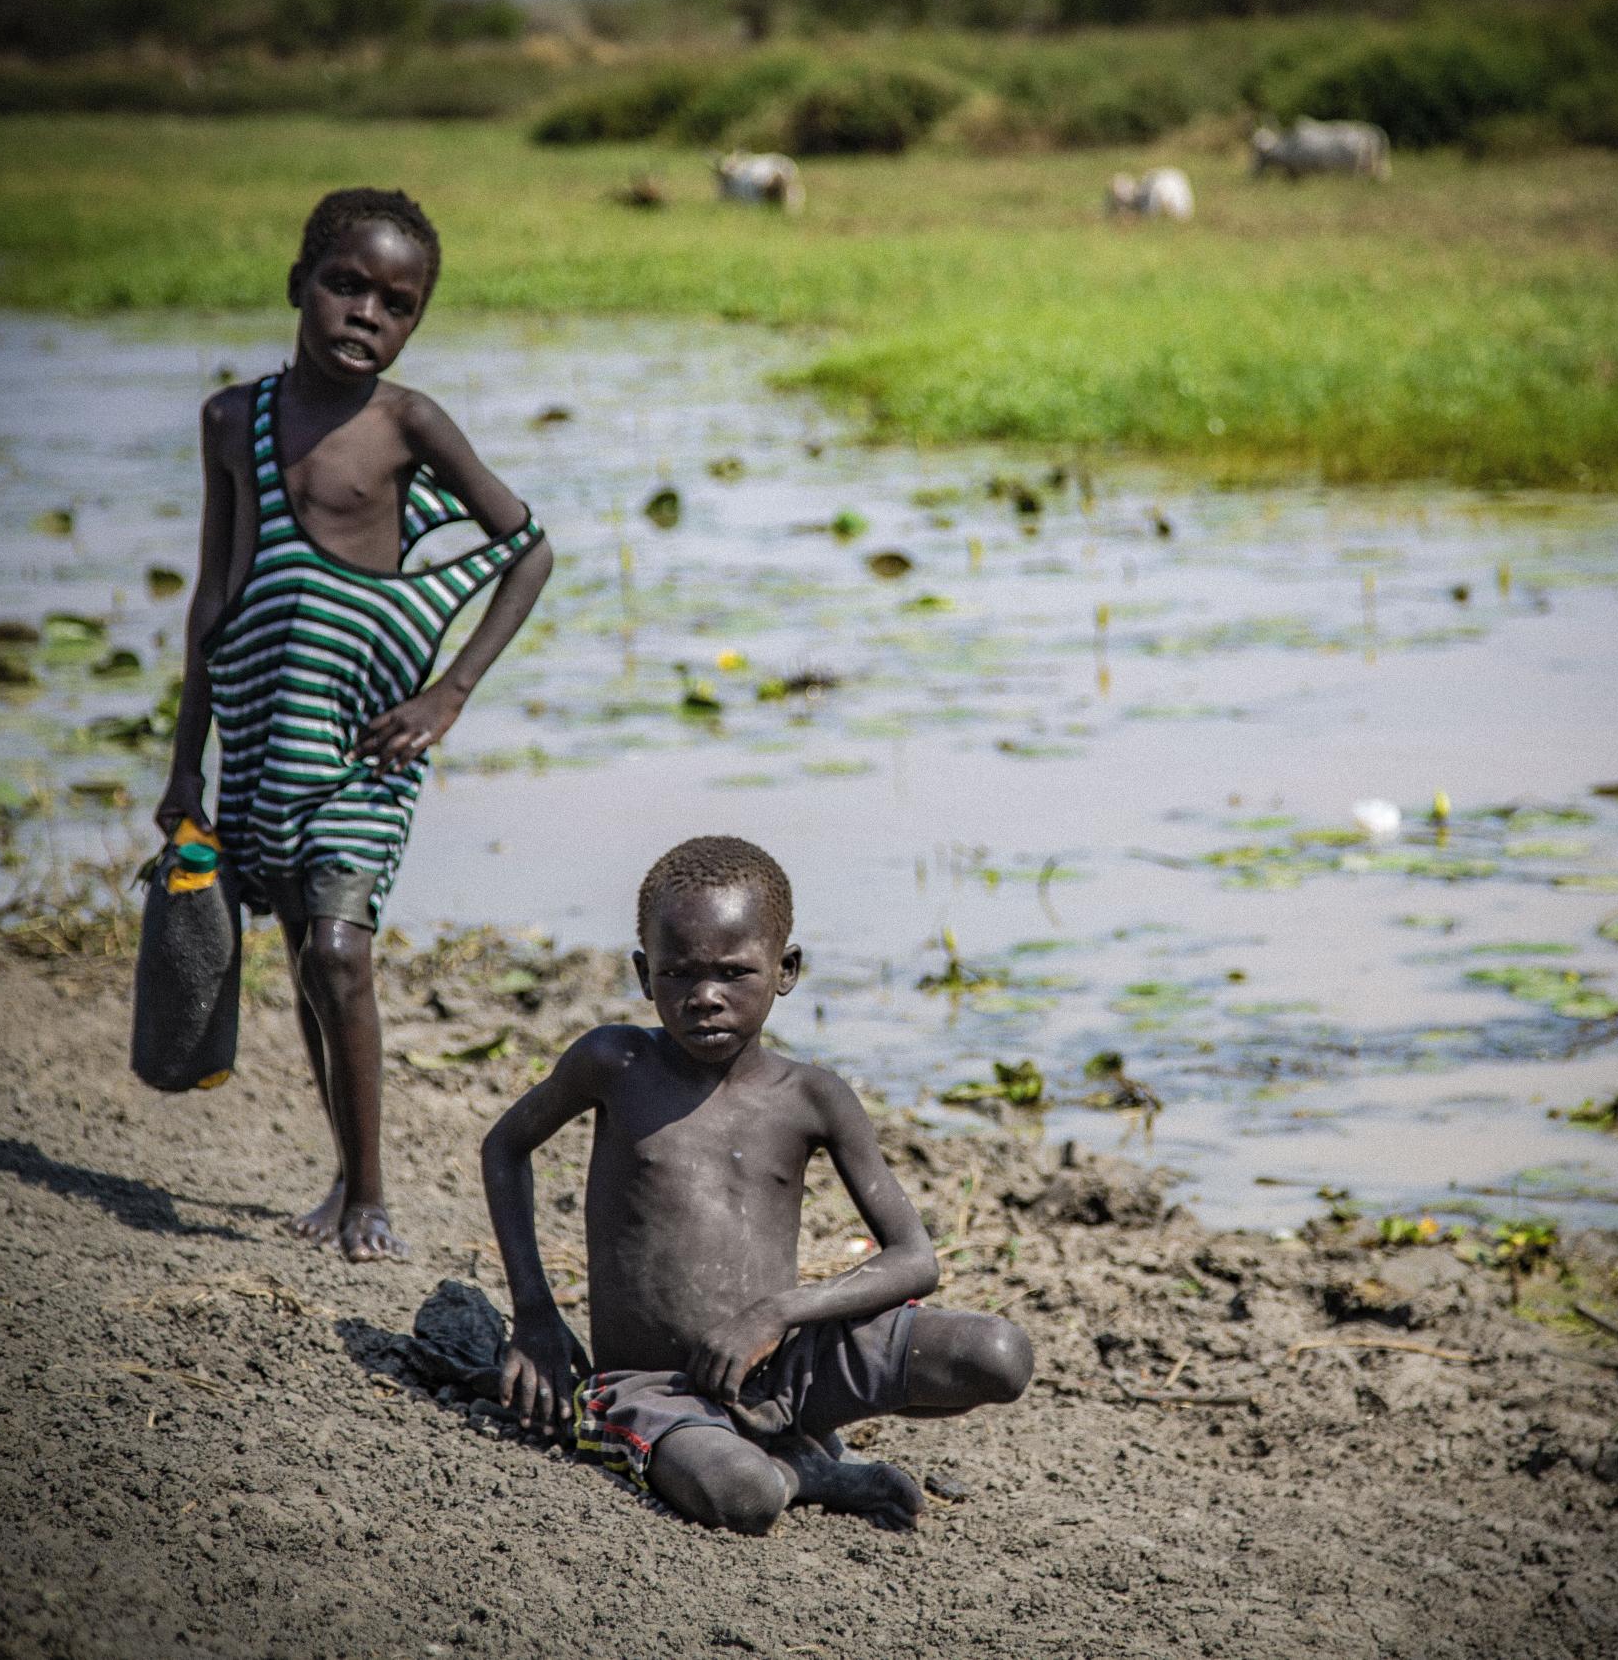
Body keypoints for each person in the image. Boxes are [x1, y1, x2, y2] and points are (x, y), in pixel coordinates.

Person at [155, 188, 553, 1264]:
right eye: (346, 284)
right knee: (300, 959)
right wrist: (185, 764)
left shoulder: (406, 424)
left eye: (396, 302)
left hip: (363, 746)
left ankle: (372, 1188)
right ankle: (341, 1168)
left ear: (415, 320)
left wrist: (450, 691)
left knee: (340, 951)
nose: (366, 314)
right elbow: (212, 593)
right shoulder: (232, 418)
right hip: (260, 733)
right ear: (299, 283)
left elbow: (529, 550)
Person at [480, 836, 1033, 1533]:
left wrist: (777, 1314)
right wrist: (534, 1315)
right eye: (678, 974)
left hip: (787, 1364)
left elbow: (913, 1258)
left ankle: (794, 1442)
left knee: (1000, 1354)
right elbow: (505, 1146)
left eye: (734, 973)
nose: (704, 998)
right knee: (744, 1495)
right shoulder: (614, 1063)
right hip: (655, 1387)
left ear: (786, 969)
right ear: (645, 975)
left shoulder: (814, 1097)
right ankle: (804, 1469)